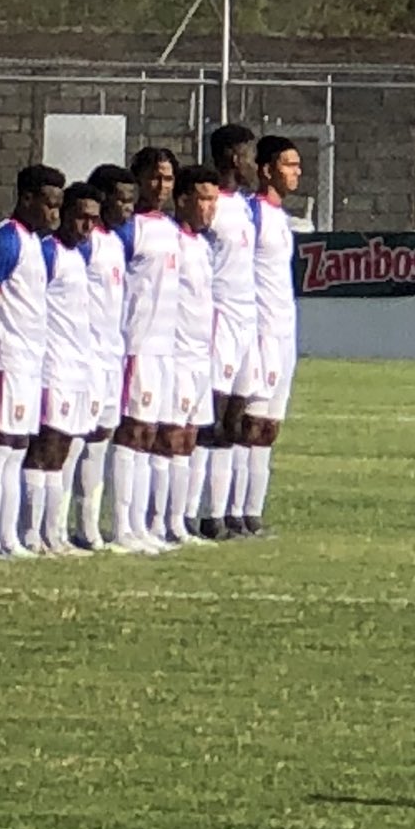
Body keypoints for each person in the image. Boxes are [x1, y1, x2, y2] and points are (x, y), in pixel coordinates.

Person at [0, 164, 63, 559]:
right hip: (4, 358)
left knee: (18, 447)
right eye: (49, 204)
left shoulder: (35, 242)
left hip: (27, 361)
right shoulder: (8, 239)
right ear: (27, 200)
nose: (55, 213)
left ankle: (9, 536)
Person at [110, 146, 181, 555]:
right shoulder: (129, 229)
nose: (162, 186)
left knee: (152, 435)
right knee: (131, 433)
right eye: (155, 177)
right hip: (134, 343)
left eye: (168, 178)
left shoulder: (170, 227)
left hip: (164, 347)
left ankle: (142, 524)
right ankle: (121, 526)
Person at [24, 181, 100, 556]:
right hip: (51, 364)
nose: (86, 226)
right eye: (80, 217)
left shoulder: (81, 254)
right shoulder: (46, 251)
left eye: (93, 220)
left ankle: (54, 533)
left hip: (77, 366)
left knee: (64, 452)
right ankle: (29, 532)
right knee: (44, 448)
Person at [241, 134, 303, 537]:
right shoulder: (252, 213)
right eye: (288, 164)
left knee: (269, 428)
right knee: (249, 424)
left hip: (285, 333)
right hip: (259, 332)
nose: (296, 173)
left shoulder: (282, 219)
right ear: (266, 169)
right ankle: (229, 512)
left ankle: (252, 512)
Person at [199, 123, 260, 540]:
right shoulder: (210, 204)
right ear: (234, 158)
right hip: (218, 317)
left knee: (237, 419)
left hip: (246, 319)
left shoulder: (244, 205)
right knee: (213, 419)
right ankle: (201, 514)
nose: (256, 164)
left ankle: (226, 514)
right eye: (251, 155)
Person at [74, 164, 135, 551]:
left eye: (132, 201)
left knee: (100, 437)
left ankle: (90, 526)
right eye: (121, 199)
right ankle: (61, 526)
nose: (128, 208)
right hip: (85, 354)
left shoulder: (114, 241)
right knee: (73, 439)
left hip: (111, 352)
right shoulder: (86, 242)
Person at [166, 163, 220, 546]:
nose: (209, 208)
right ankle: (157, 522)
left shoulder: (204, 244)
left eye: (213, 200)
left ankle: (180, 520)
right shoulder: (171, 240)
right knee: (170, 439)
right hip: (176, 354)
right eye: (202, 199)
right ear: (182, 200)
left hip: (203, 355)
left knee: (192, 440)